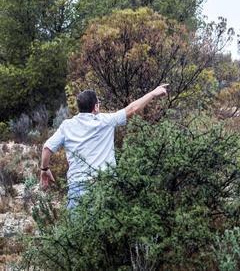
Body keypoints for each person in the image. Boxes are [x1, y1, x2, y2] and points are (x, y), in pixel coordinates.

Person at [39, 84, 169, 209]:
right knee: (108, 228)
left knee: (78, 229)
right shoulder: (105, 121)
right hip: (105, 183)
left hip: (77, 186)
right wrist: (152, 93)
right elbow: (132, 109)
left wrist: (44, 169)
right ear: (95, 107)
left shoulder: (66, 125)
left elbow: (47, 148)